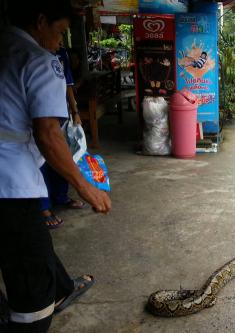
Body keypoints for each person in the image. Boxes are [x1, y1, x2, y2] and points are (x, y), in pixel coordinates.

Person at [0, 1, 111, 332]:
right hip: (9, 183)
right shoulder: (38, 61)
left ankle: (62, 287)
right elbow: (49, 135)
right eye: (61, 31)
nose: (62, 42)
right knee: (32, 289)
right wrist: (85, 186)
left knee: (29, 246)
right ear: (40, 20)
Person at [40, 45, 85, 229]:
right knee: (41, 159)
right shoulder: (29, 53)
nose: (60, 40)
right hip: (40, 117)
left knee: (63, 154)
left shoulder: (61, 53)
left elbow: (68, 83)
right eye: (58, 31)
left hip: (62, 114)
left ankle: (60, 196)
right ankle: (44, 207)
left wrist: (75, 111)